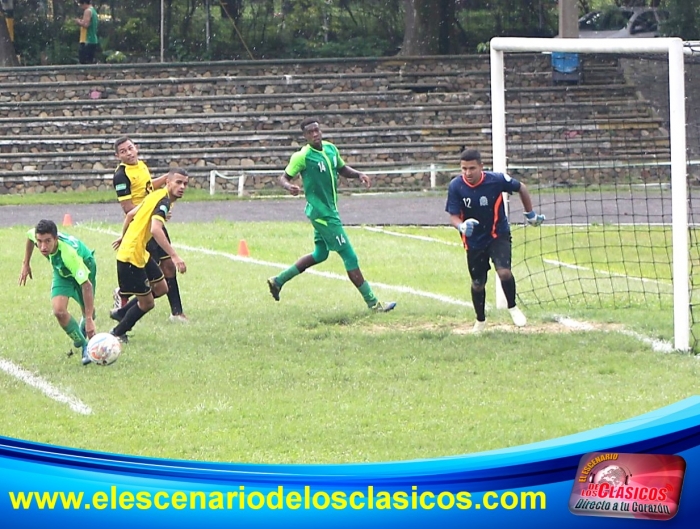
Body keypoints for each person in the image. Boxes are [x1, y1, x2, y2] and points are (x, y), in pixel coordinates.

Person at [266, 117, 396, 313]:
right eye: (310, 132)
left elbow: (341, 168)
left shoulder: (330, 149)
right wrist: (288, 186)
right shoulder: (302, 156)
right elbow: (283, 177)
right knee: (349, 256)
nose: (315, 134)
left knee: (320, 254)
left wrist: (358, 174)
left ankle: (278, 281)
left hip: (327, 210)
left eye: (317, 130)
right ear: (305, 136)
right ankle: (373, 304)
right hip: (323, 214)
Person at [445, 149, 545, 333]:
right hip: (474, 240)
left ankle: (513, 307)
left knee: (504, 272)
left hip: (498, 234)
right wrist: (461, 226)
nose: (468, 173)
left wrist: (530, 214)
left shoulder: (496, 180)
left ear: (481, 167)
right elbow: (453, 216)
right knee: (478, 283)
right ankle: (480, 320)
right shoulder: (456, 186)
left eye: (472, 168)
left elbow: (521, 187)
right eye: (464, 169)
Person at [112, 136, 188, 323]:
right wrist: (152, 210)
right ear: (118, 156)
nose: (129, 153)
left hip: (153, 220)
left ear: (136, 148)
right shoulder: (121, 175)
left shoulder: (142, 166)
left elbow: (147, 187)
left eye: (130, 148)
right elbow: (128, 208)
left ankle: (177, 313)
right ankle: (123, 295)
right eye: (123, 151)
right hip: (141, 226)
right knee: (148, 274)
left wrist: (167, 179)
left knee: (168, 266)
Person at [18, 220, 97, 365]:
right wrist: (26, 263)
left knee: (88, 312)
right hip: (61, 271)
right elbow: (29, 237)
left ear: (56, 239)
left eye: (47, 241)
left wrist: (89, 319)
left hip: (85, 265)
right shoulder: (37, 237)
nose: (43, 246)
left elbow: (87, 285)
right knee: (59, 311)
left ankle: (86, 322)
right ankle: (85, 345)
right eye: (39, 241)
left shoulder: (69, 255)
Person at [75, 1, 99, 65]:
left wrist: (78, 22)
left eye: (81, 4)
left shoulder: (87, 11)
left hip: (87, 40)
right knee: (90, 62)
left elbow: (86, 25)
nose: (80, 7)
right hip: (93, 40)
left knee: (84, 63)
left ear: (84, 3)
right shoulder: (93, 11)